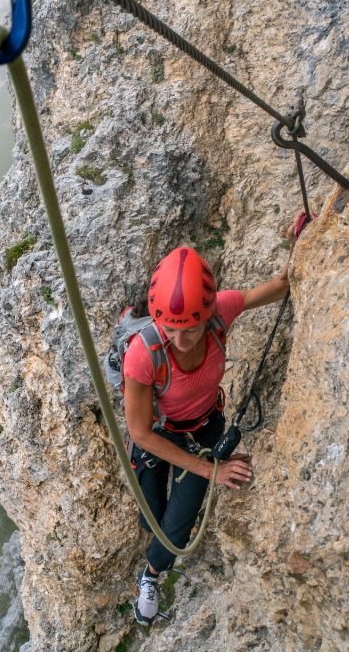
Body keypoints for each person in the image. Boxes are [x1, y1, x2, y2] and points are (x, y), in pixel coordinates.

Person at [123, 216, 301, 625]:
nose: (180, 338)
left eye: (191, 327)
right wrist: (207, 469)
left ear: (209, 313)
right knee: (150, 510)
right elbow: (138, 431)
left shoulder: (222, 311)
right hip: (157, 434)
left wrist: (296, 242)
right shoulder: (143, 354)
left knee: (175, 527)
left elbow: (280, 286)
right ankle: (157, 539)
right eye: (170, 326)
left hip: (205, 429)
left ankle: (150, 576)